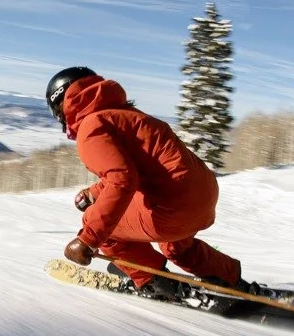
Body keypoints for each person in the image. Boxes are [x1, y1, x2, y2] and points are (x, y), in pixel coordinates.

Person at [46, 66, 262, 301]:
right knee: (176, 246)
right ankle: (230, 279)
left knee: (96, 222)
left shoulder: (91, 126)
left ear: (62, 104)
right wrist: (93, 192)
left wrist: (87, 240)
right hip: (203, 196)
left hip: (173, 207)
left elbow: (122, 179)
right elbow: (137, 169)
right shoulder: (125, 115)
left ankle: (152, 281)